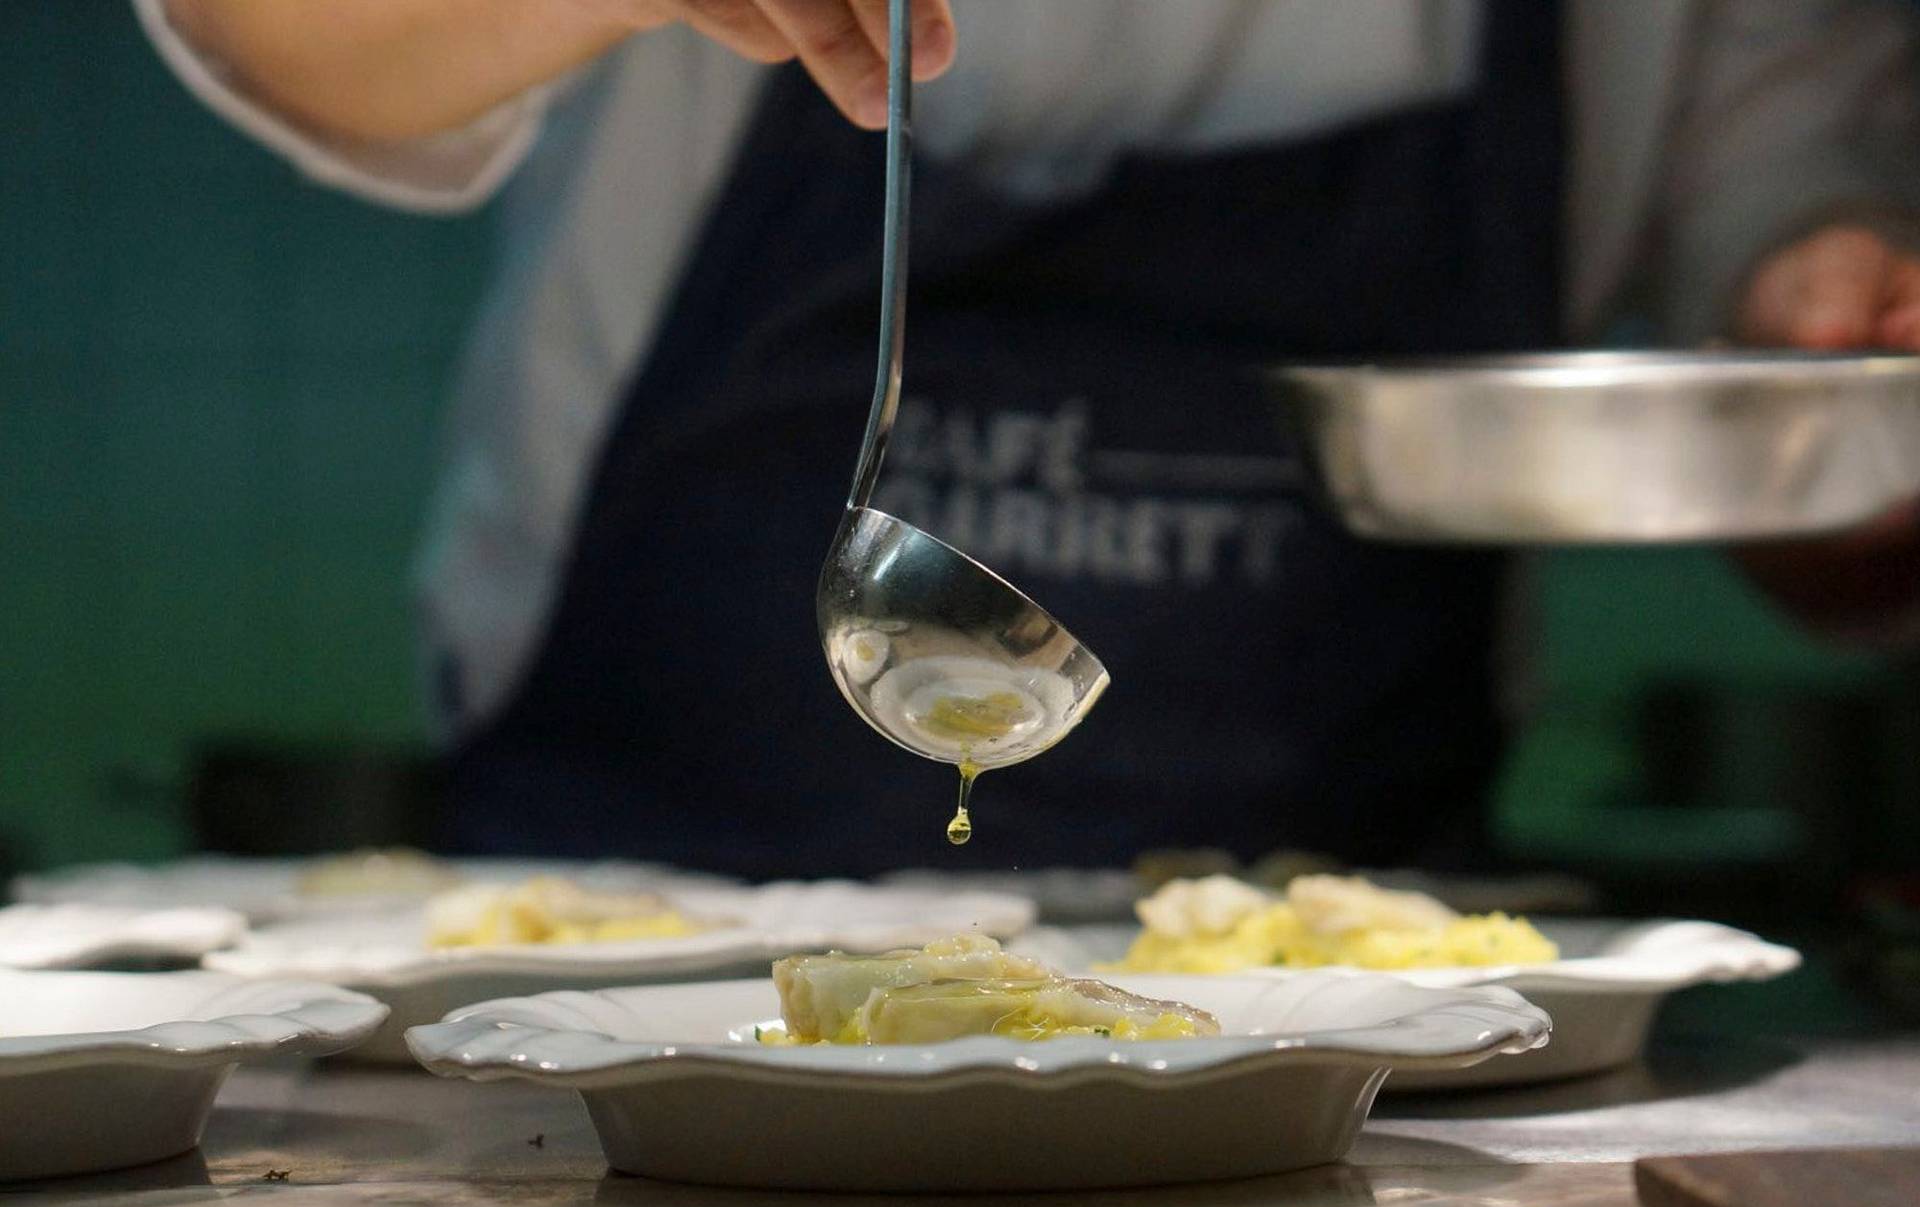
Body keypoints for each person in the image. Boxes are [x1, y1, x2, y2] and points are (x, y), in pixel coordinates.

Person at [139, 0, 1920, 879]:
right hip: (612, 987)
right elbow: (278, 36)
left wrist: (1835, 348)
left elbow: (1808, 425)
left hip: (1366, 1048)